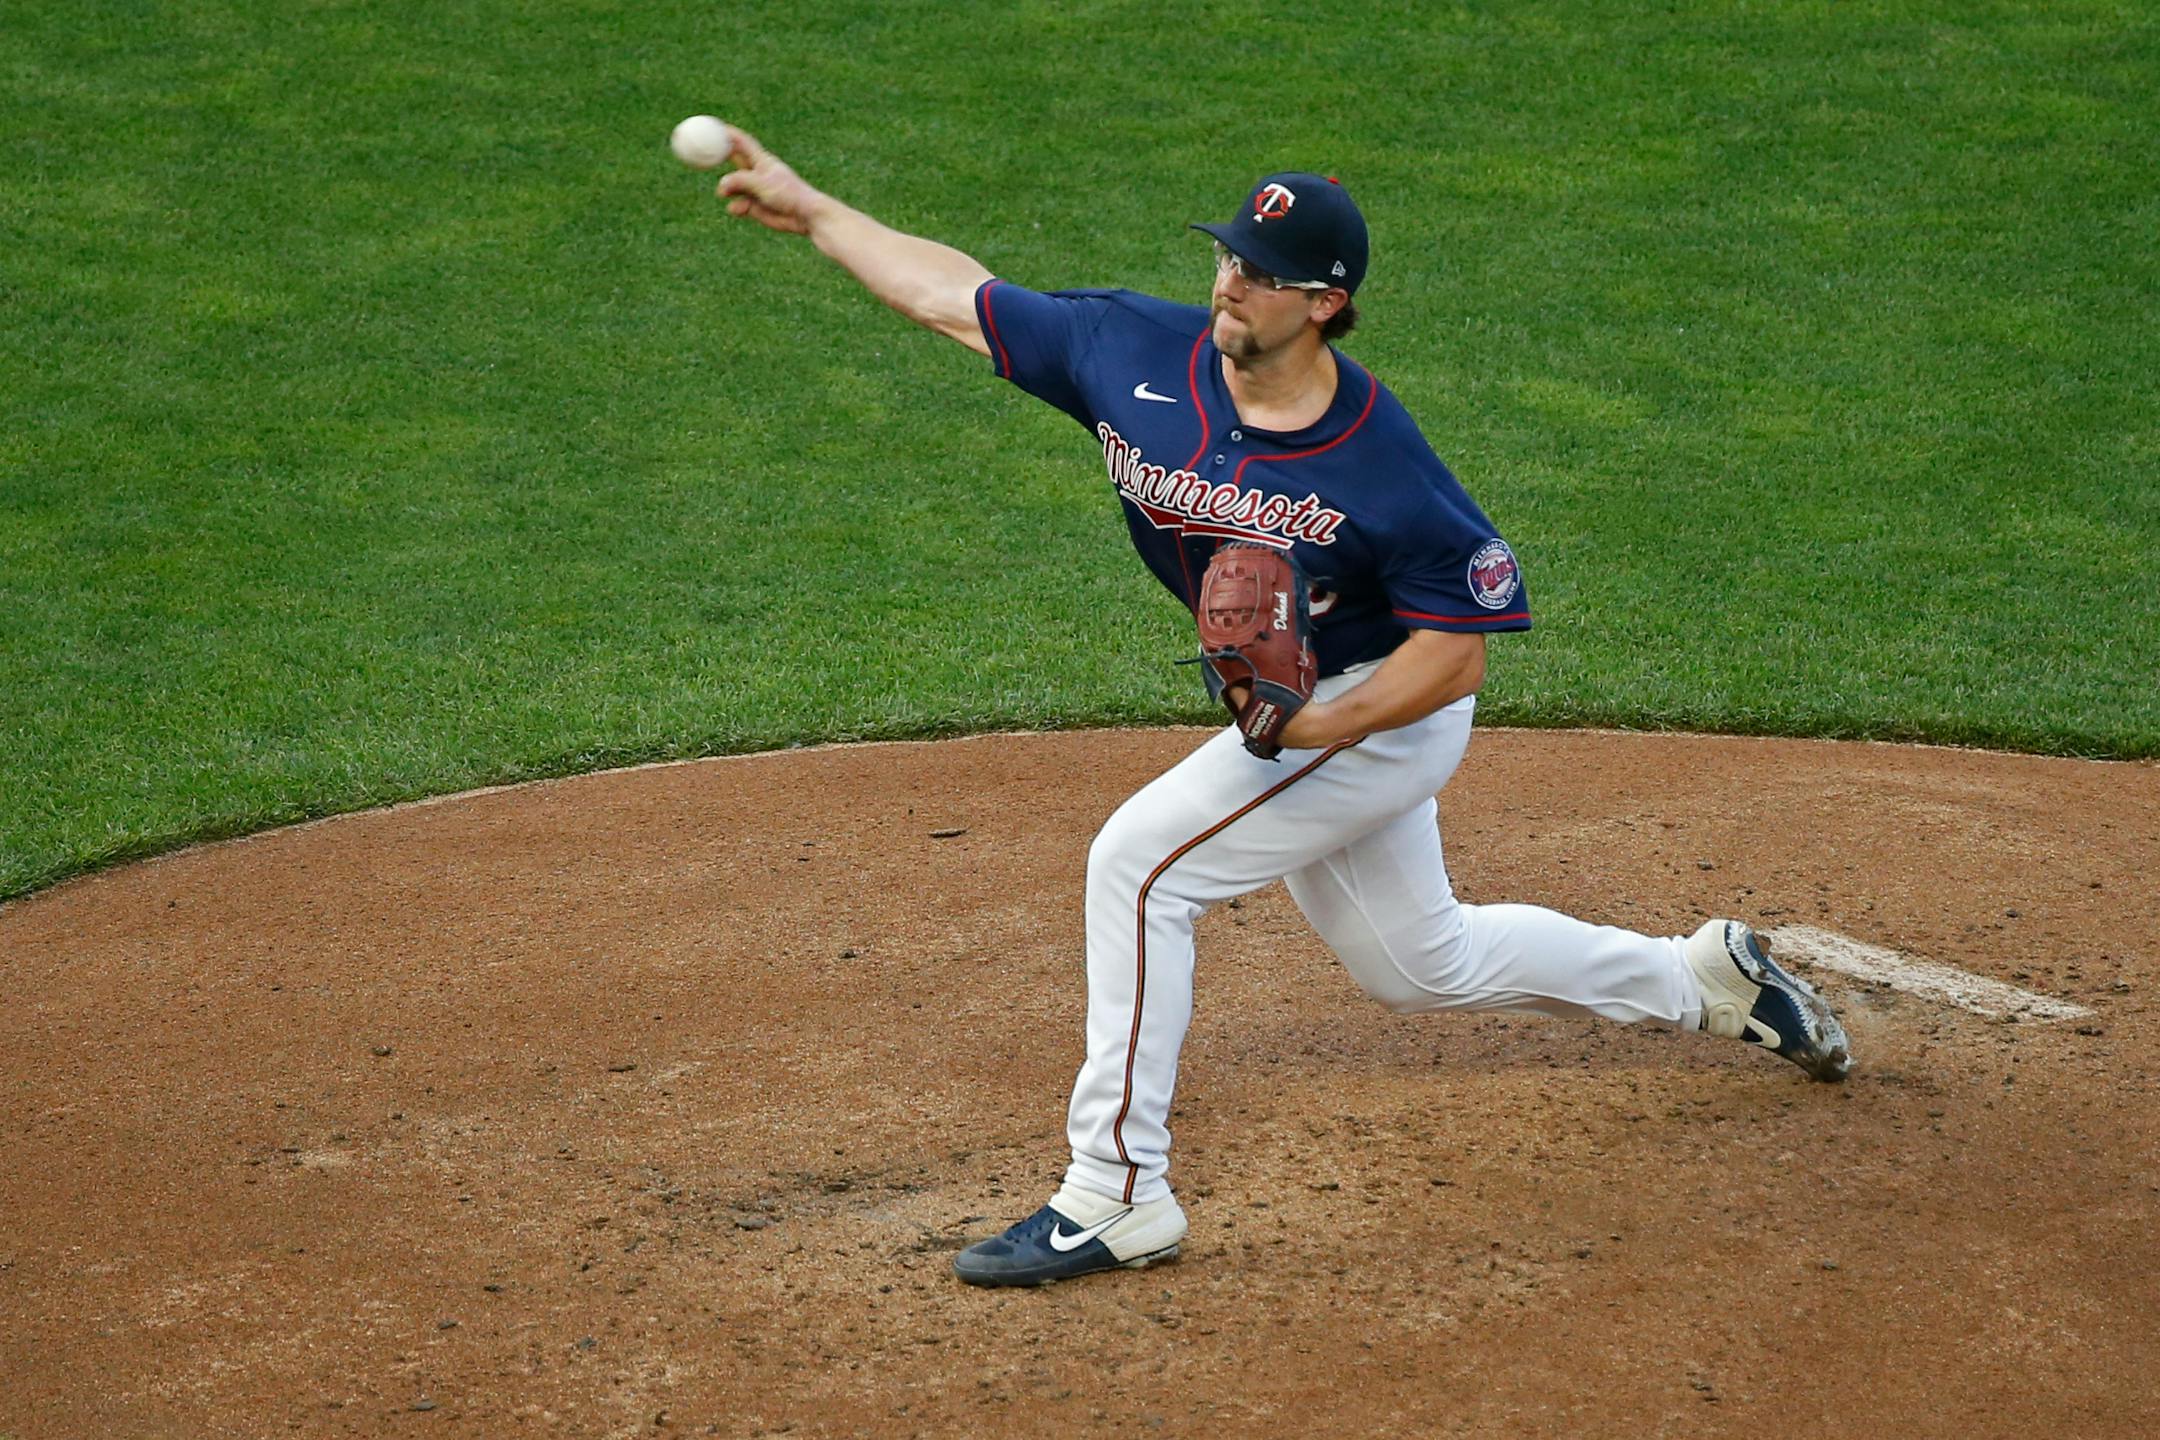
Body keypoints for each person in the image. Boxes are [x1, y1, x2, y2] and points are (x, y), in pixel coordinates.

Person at [712, 131, 1852, 1288]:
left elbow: (1459, 654)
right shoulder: (1130, 350)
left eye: (1259, 272)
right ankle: (1703, 981)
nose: (1228, 282)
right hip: (1298, 714)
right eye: (1226, 257)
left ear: (1325, 302)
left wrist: (1315, 731)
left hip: (1377, 708)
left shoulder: (1383, 465)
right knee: (1420, 965)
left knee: (1139, 866)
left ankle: (1115, 1193)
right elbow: (950, 295)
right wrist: (814, 211)